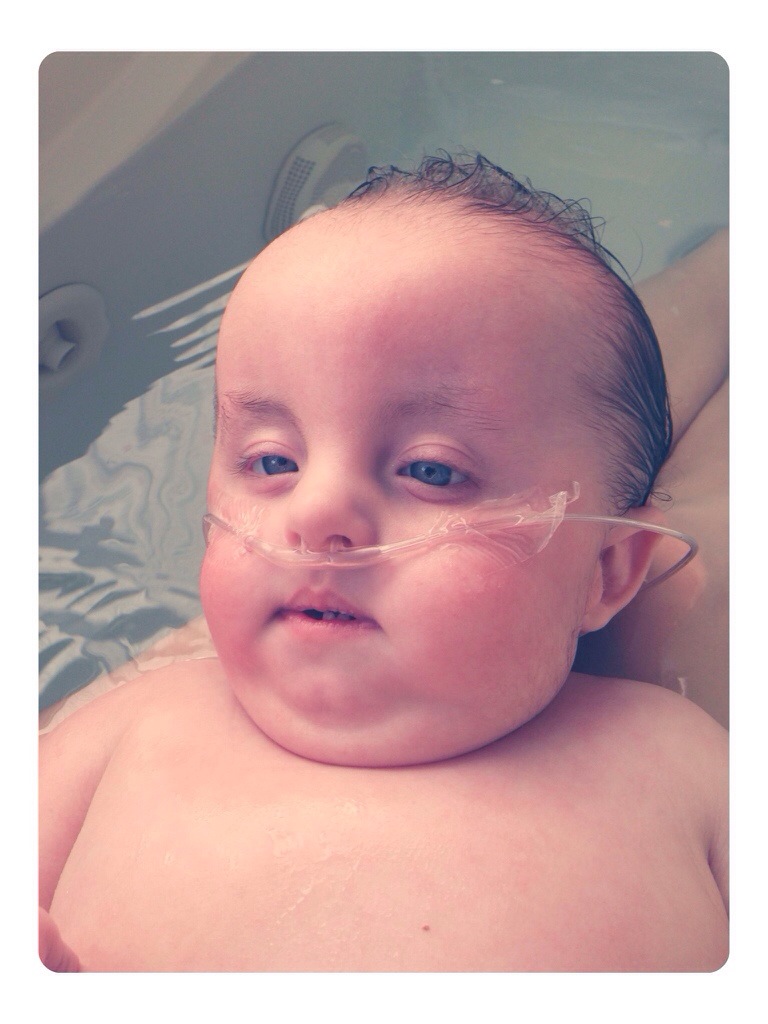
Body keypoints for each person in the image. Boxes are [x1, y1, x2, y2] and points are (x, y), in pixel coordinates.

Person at [39, 155, 728, 972]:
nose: (315, 512)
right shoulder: (134, 725)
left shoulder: (672, 761)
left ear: (608, 571)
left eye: (431, 470)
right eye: (272, 461)